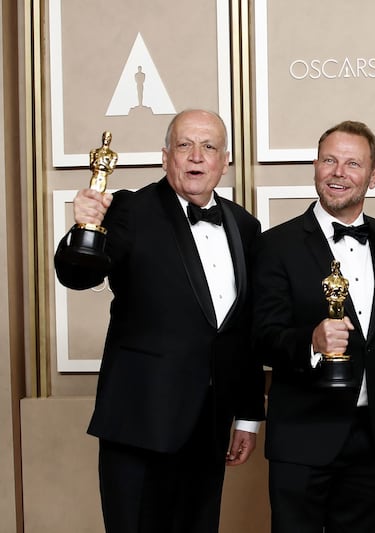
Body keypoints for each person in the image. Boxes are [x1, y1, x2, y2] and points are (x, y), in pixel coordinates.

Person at [54, 109, 265, 533]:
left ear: (225, 161)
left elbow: (242, 332)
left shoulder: (245, 225)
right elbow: (78, 274)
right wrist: (85, 227)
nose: (196, 156)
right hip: (139, 420)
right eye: (184, 145)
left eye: (209, 147)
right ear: (165, 156)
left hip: (210, 426)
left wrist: (246, 415)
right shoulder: (132, 210)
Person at [251, 120, 375, 533]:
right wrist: (311, 342)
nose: (338, 172)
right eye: (329, 160)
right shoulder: (275, 245)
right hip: (303, 436)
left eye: (352, 163)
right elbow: (262, 336)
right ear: (315, 167)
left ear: (373, 177)